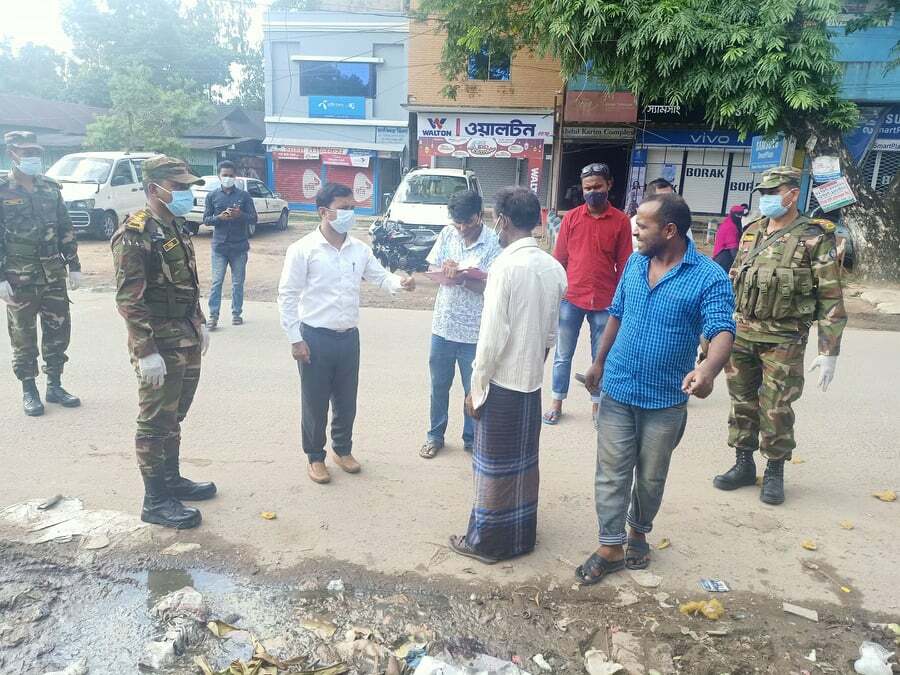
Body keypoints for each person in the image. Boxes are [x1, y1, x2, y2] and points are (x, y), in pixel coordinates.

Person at [575, 193, 735, 584]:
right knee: (611, 471)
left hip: (664, 400)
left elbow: (721, 330)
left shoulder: (709, 276)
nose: (635, 230)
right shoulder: (634, 263)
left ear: (669, 230)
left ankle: (638, 534)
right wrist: (598, 361)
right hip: (618, 387)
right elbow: (616, 314)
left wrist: (709, 370)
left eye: (642, 225)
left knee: (650, 476)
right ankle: (610, 545)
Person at [448, 187, 567, 564]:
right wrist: (532, 363)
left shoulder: (504, 267)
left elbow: (491, 339)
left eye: (494, 218)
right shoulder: (553, 267)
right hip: (529, 386)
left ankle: (485, 543)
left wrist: (476, 389)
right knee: (523, 464)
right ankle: (520, 536)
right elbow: (551, 336)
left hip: (500, 386)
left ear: (503, 220)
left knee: (493, 469)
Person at [714, 166, 846, 505]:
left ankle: (774, 471)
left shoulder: (815, 235)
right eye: (764, 193)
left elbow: (830, 295)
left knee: (776, 408)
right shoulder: (752, 231)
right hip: (742, 332)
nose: (768, 199)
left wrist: (829, 350)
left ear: (792, 193)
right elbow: (733, 279)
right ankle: (743, 464)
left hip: (784, 337)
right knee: (741, 401)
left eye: (775, 192)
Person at [278, 183, 415, 485]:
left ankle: (343, 450)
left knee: (346, 399)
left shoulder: (359, 249)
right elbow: (287, 295)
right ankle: (315, 456)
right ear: (324, 211)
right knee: (315, 402)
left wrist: (399, 283)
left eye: (353, 208)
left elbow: (380, 277)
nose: (349, 213)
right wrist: (294, 338)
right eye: (344, 207)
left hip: (348, 337)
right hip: (314, 336)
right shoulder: (303, 250)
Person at [111, 155, 215, 530]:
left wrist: (199, 322)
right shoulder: (136, 232)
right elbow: (128, 298)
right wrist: (146, 350)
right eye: (180, 187)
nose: (186, 193)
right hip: (159, 343)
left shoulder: (176, 227)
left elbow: (188, 283)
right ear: (155, 188)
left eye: (188, 186)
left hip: (185, 335)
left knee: (175, 415)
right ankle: (155, 500)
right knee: (155, 421)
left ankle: (171, 481)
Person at [543, 162, 632, 426]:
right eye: (588, 188)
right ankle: (556, 402)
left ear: (609, 186)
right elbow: (559, 259)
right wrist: (557, 293)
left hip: (605, 300)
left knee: (600, 356)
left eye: (598, 187)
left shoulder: (621, 221)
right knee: (562, 354)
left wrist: (621, 301)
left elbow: (625, 264)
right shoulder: (571, 218)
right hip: (572, 298)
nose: (593, 192)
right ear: (582, 190)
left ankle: (597, 406)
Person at [0, 131, 82, 416]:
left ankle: (55, 384)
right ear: (12, 154)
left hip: (52, 272)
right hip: (18, 276)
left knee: (58, 330)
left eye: (36, 152)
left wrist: (73, 264)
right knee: (23, 335)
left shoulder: (49, 188)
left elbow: (65, 226)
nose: (33, 157)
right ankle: (29, 389)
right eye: (26, 153)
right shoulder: (2, 189)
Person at [420, 189, 501, 459]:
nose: (462, 228)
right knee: (439, 385)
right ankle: (434, 436)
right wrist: (445, 269)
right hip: (443, 325)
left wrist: (464, 278)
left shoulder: (493, 241)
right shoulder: (447, 233)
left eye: (467, 222)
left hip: (475, 331)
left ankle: (471, 438)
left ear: (480, 215)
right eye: (458, 222)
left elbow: (491, 284)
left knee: (474, 389)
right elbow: (432, 267)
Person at [203, 160, 257, 329]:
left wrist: (240, 214)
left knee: (237, 283)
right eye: (224, 175)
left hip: (239, 247)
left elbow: (254, 218)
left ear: (235, 176)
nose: (227, 178)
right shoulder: (212, 196)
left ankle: (236, 313)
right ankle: (213, 316)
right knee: (216, 282)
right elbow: (206, 220)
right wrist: (219, 218)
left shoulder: (244, 196)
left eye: (230, 175)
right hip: (219, 247)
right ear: (219, 176)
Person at [631, 178, 694, 250]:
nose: (669, 202)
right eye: (662, 198)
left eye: (671, 197)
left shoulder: (680, 222)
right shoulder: (632, 224)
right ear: (649, 199)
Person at [712, 205, 745, 272]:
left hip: (720, 257)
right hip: (723, 257)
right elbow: (733, 249)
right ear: (732, 214)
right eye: (737, 215)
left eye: (741, 215)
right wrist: (740, 264)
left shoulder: (728, 222)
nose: (739, 217)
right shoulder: (730, 227)